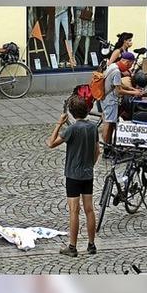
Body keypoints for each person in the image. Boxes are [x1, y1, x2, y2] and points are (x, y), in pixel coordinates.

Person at [46, 96, 100, 257]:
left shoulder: (72, 129)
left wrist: (58, 124)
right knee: (89, 210)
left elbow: (51, 143)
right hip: (87, 173)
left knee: (74, 211)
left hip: (73, 175)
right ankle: (91, 244)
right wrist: (90, 165)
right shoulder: (93, 128)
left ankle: (72, 246)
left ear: (71, 112)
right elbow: (96, 151)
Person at [101, 52, 144, 151]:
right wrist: (134, 93)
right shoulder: (116, 71)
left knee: (111, 123)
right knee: (108, 123)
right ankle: (106, 149)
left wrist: (133, 90)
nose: (130, 67)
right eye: (130, 65)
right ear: (127, 62)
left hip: (108, 99)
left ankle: (109, 145)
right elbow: (119, 90)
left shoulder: (112, 66)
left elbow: (118, 84)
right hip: (110, 100)